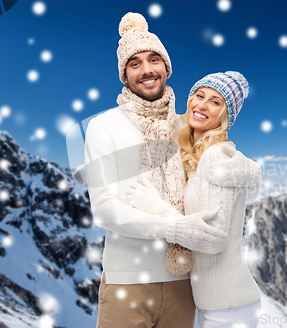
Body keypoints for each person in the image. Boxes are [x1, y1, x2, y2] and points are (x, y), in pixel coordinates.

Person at [84, 13, 257, 328]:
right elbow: (105, 209)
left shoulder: (184, 126)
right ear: (124, 75)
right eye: (135, 64)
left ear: (166, 67)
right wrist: (175, 229)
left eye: (154, 59)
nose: (147, 70)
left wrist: (249, 171)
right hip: (128, 282)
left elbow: (221, 154)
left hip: (184, 282)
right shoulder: (104, 127)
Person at [126, 71, 263, 328]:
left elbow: (214, 239)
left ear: (226, 116)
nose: (202, 104)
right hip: (220, 303)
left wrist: (155, 206)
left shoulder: (215, 158)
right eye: (199, 96)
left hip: (229, 306)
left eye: (215, 101)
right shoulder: (200, 157)